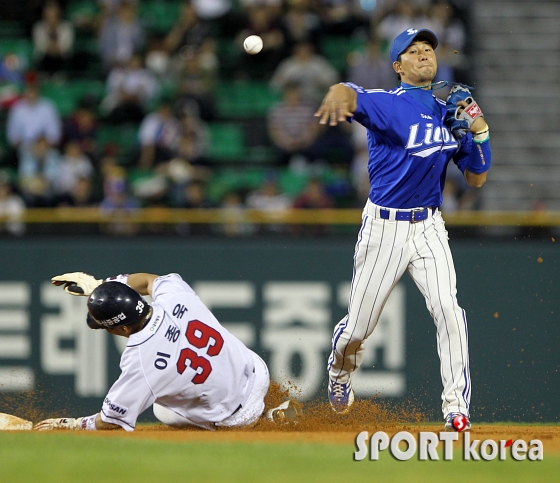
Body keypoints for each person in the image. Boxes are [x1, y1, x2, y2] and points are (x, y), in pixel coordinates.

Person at [315, 27, 492, 432]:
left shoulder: (450, 110)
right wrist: (337, 92)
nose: (423, 55)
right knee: (358, 328)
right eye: (413, 51)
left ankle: (455, 407)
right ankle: (340, 372)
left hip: (429, 225)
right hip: (385, 227)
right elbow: (350, 94)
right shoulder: (388, 105)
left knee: (449, 310)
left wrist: (479, 130)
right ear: (398, 66)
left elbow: (477, 178)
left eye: (428, 48)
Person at [34, 272, 302, 431]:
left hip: (236, 415)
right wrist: (105, 282)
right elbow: (150, 281)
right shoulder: (174, 296)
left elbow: (111, 421)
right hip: (256, 373)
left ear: (123, 329)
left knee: (163, 409)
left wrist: (71, 424)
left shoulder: (141, 360)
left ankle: (266, 420)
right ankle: (265, 409)